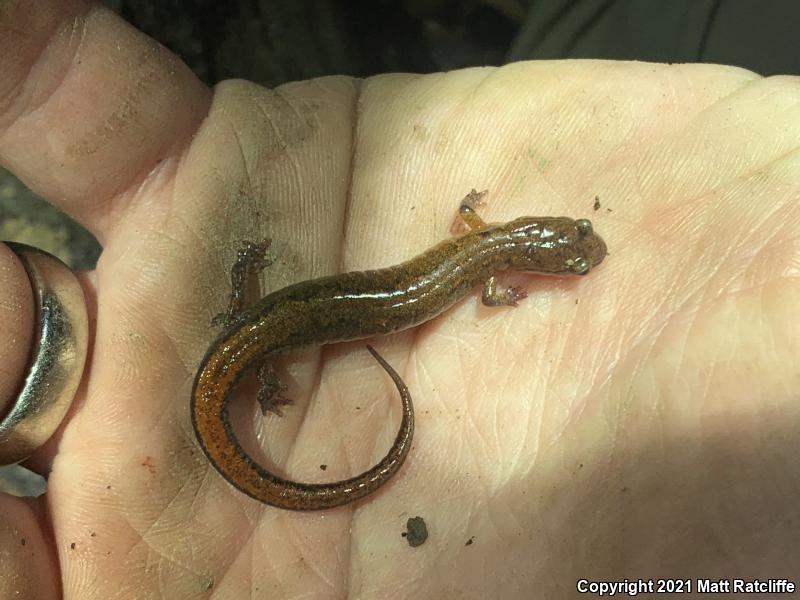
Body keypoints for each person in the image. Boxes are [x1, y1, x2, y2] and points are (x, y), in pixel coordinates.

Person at [1, 2, 798, 598]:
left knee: (254, 326)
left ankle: (262, 362)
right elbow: (486, 289)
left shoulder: (484, 244)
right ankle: (265, 371)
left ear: (538, 238)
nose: (578, 249)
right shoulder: (491, 269)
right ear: (538, 247)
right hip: (266, 339)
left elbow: (470, 230)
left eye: (576, 251)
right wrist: (503, 297)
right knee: (257, 341)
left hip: (263, 330)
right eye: (577, 247)